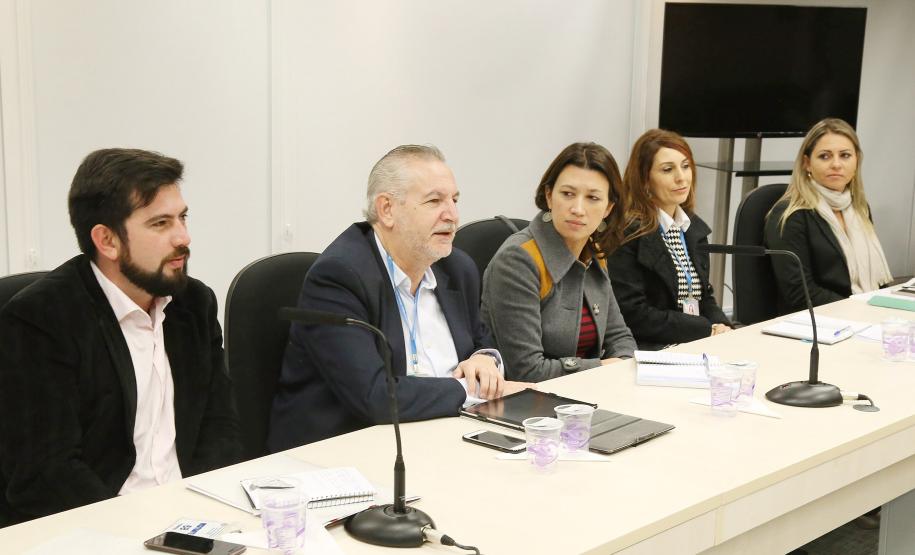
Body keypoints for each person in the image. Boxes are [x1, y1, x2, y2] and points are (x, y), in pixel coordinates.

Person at [0, 149, 241, 526]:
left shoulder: (193, 303)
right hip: (98, 527)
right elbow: (46, 473)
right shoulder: (41, 319)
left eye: (182, 217)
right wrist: (137, 529)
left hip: (191, 518)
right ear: (107, 240)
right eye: (161, 223)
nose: (183, 237)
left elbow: (220, 426)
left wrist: (210, 513)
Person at [269, 145, 529, 451]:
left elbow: (480, 339)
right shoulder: (339, 277)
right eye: (434, 201)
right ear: (387, 210)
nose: (453, 216)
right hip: (349, 451)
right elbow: (376, 396)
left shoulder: (457, 269)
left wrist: (485, 359)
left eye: (454, 200)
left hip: (448, 438)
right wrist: (472, 391)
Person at [480, 143, 636, 382]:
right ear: (549, 195)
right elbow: (527, 370)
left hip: (587, 394)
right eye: (568, 194)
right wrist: (603, 367)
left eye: (593, 198)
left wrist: (618, 363)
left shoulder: (594, 252)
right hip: (529, 405)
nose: (578, 209)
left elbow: (621, 338)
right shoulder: (518, 259)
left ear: (608, 208)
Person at [607, 129, 731, 350]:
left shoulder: (691, 227)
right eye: (667, 170)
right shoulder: (627, 233)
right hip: (648, 347)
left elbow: (703, 293)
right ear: (645, 179)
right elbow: (633, 313)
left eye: (685, 166)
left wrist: (722, 325)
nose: (681, 177)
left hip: (691, 341)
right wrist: (704, 329)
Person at [765, 118, 892, 312]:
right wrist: (861, 310)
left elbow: (878, 282)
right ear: (807, 163)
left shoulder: (860, 209)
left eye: (845, 155)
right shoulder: (790, 215)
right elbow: (800, 294)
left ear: (856, 160)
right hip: (817, 324)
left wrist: (886, 308)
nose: (836, 164)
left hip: (863, 314)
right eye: (825, 156)